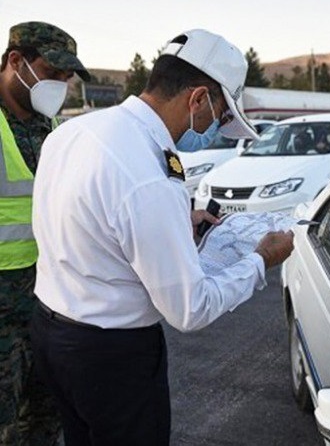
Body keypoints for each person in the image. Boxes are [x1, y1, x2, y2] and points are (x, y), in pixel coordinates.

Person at [29, 28, 294, 445]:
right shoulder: (150, 176)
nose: (215, 129)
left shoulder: (73, 132)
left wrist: (175, 223)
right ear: (197, 98)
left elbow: (87, 221)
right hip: (112, 359)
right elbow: (190, 310)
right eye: (221, 116)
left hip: (52, 334)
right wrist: (261, 260)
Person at [0, 21, 90, 445]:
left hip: (46, 304)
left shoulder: (50, 129)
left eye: (67, 78)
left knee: (46, 420)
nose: (61, 85)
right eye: (52, 73)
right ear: (15, 61)